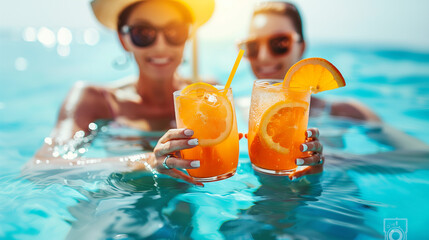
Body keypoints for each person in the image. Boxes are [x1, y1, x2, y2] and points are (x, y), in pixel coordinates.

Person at [27, 0, 322, 185]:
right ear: (123, 38)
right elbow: (40, 168)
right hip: (117, 209)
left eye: (174, 31)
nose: (160, 46)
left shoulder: (208, 96)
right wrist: (145, 161)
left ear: (188, 35)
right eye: (144, 33)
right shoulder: (95, 100)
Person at [237, 1, 384, 178]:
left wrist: (336, 161)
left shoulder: (344, 112)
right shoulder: (237, 109)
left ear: (302, 47)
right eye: (252, 46)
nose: (263, 56)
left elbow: (422, 156)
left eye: (279, 43)